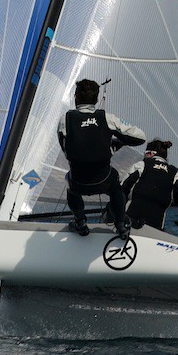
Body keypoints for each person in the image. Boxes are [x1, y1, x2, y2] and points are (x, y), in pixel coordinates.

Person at [58, 78, 145, 237]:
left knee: (69, 180)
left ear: (75, 97)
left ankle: (80, 222)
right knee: (116, 184)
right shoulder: (107, 118)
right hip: (103, 180)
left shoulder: (66, 119)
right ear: (97, 99)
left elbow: (66, 150)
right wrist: (115, 144)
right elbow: (140, 137)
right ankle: (120, 224)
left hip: (79, 182)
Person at [123, 138, 178, 237]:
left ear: (151, 153)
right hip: (154, 233)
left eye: (145, 153)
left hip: (127, 227)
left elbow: (121, 190)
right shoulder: (176, 176)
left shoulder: (140, 166)